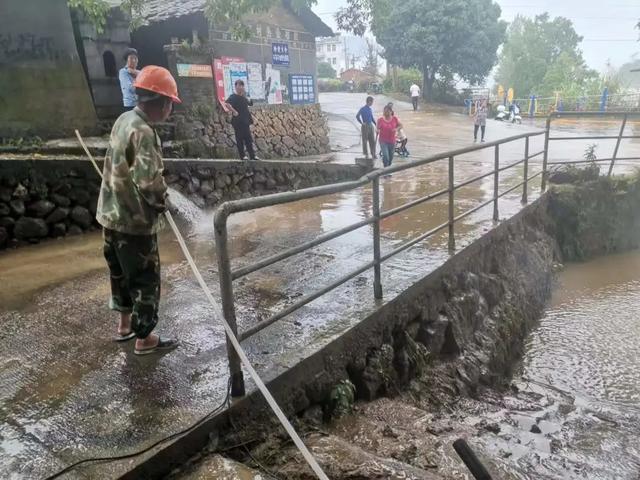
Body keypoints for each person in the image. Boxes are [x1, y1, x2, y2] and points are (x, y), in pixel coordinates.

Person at [97, 65, 181, 356]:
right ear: (161, 103)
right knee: (144, 279)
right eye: (170, 103)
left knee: (120, 272)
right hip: (134, 221)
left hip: (110, 214)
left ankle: (124, 326)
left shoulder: (124, 119)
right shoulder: (145, 131)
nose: (170, 109)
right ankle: (145, 338)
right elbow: (148, 180)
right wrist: (162, 202)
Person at [225, 80, 260, 161]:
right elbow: (227, 104)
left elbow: (250, 103)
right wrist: (234, 111)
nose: (240, 87)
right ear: (236, 87)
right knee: (239, 138)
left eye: (242, 86)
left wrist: (247, 95)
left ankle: (252, 155)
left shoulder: (244, 97)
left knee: (248, 138)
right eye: (239, 86)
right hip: (238, 121)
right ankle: (243, 156)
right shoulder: (233, 96)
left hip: (245, 121)